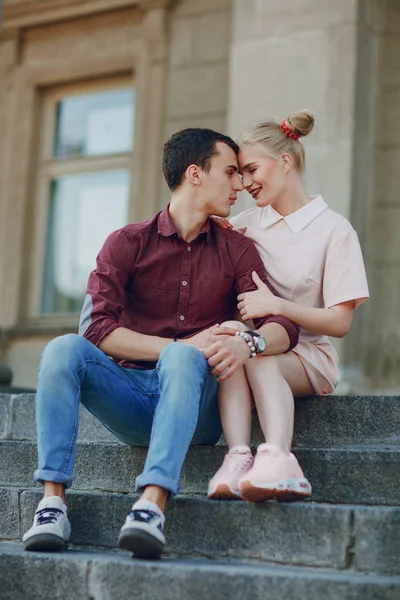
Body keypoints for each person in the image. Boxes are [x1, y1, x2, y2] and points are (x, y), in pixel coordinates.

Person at [22, 128, 299, 558]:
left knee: (185, 361)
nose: (240, 185)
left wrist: (252, 344)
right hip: (132, 399)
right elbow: (96, 330)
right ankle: (52, 503)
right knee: (63, 349)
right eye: (229, 172)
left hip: (199, 408)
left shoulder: (236, 249)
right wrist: (180, 344)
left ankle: (151, 507)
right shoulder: (126, 243)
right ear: (195, 174)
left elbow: (282, 325)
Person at [208, 111, 369, 503]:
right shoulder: (244, 224)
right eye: (239, 174)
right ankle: (238, 457)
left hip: (307, 355)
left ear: (285, 161)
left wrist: (276, 304)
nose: (244, 183)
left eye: (251, 170)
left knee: (256, 352)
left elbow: (340, 322)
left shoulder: (334, 230)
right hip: (256, 345)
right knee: (238, 342)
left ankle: (280, 458)